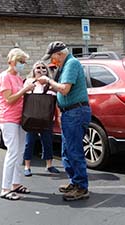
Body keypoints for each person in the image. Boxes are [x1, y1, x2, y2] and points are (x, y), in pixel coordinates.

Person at [38, 41, 91, 201]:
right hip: (69, 113)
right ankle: (75, 182)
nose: (53, 61)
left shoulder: (71, 64)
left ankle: (82, 187)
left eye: (53, 58)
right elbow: (61, 88)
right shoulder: (64, 65)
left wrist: (48, 80)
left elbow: (65, 89)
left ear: (59, 54)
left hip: (76, 112)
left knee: (74, 151)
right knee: (66, 151)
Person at [0, 47, 36, 201]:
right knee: (12, 152)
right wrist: (24, 90)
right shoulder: (4, 77)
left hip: (20, 119)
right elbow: (9, 99)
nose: (22, 65)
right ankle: (5, 188)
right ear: (12, 61)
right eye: (20, 62)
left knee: (19, 152)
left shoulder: (18, 77)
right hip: (8, 119)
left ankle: (16, 184)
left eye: (24, 62)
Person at [23, 61, 60, 176]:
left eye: (43, 68)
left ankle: (49, 165)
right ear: (33, 70)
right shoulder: (29, 82)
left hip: (46, 117)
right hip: (32, 117)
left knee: (48, 141)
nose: (40, 69)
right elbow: (25, 95)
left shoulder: (51, 83)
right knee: (29, 142)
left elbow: (56, 97)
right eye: (37, 67)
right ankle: (27, 166)